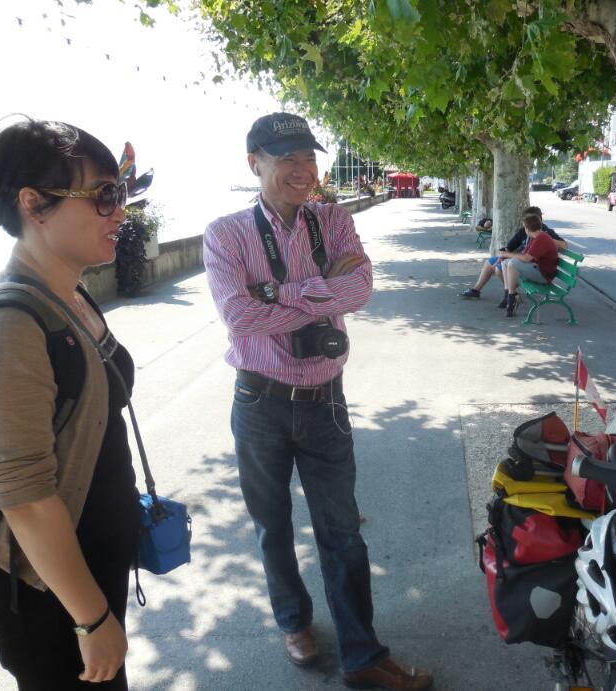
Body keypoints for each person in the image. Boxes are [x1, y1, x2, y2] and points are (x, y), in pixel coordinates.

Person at [203, 113, 432, 690]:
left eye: (309, 157)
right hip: (259, 399)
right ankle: (293, 621)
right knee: (271, 525)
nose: (303, 170)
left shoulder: (332, 219)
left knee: (342, 532)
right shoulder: (225, 234)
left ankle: (362, 654)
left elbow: (361, 288)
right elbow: (239, 316)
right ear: (254, 163)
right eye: (288, 158)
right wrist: (321, 290)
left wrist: (276, 292)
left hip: (326, 401)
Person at [0, 119, 138, 687]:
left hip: (89, 573)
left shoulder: (69, 295)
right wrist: (91, 619)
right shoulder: (10, 328)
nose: (121, 212)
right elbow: (26, 497)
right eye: (104, 195)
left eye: (122, 192)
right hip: (49, 602)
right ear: (33, 204)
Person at [459, 206, 566, 306]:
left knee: (500, 269)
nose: (526, 223)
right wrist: (499, 259)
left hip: (529, 264)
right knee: (491, 262)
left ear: (537, 220)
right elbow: (509, 248)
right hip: (521, 259)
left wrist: (544, 238)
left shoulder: (544, 232)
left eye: (528, 220)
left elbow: (564, 245)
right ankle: (476, 290)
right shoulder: (524, 231)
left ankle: (511, 294)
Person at [500, 213, 560, 318]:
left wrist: (507, 254)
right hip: (537, 269)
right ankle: (510, 295)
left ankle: (511, 298)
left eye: (524, 227)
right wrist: (507, 256)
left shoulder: (541, 238)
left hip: (544, 275)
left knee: (512, 263)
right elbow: (525, 255)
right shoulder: (536, 237)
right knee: (505, 263)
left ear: (527, 228)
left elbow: (526, 258)